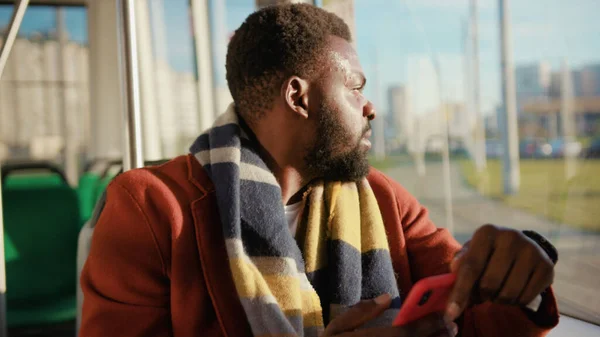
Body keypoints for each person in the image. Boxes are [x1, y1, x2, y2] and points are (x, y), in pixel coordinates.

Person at [80, 4, 559, 337]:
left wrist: (514, 279)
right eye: (354, 88)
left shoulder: (381, 196)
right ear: (297, 97)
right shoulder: (151, 209)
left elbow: (470, 316)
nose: (369, 106)